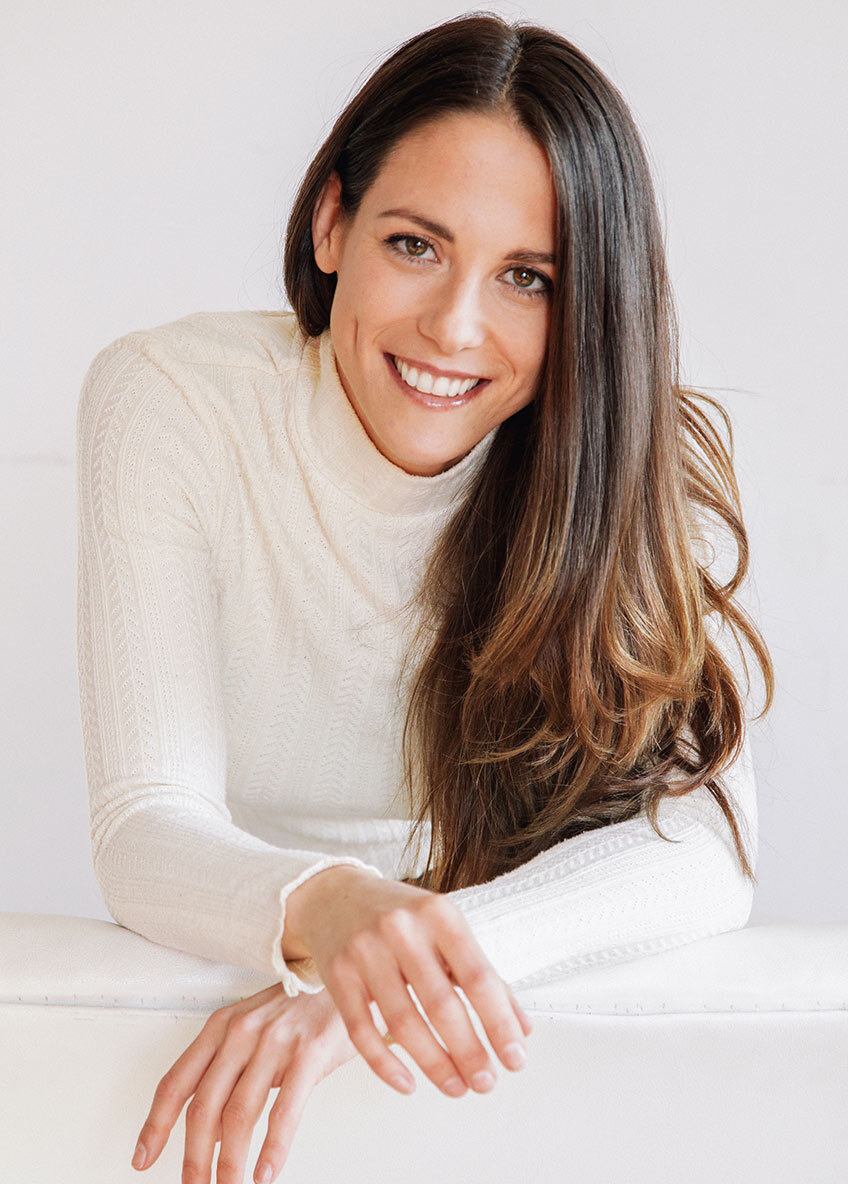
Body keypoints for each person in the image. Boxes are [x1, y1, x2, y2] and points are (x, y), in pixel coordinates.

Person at [75, 11, 774, 1184]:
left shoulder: (643, 468)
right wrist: (334, 914)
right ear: (331, 222)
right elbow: (145, 822)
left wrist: (394, 968)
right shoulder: (173, 401)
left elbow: (706, 846)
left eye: (526, 277)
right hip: (253, 982)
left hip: (493, 1038)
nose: (454, 326)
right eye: (414, 244)